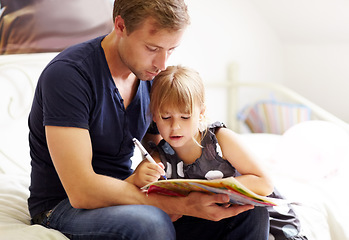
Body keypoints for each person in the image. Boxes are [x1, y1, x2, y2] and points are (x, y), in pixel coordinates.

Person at [28, 1, 258, 239]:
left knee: (245, 210)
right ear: (120, 26)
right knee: (151, 222)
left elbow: (160, 149)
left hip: (131, 192)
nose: (162, 64)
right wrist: (175, 205)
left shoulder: (149, 76)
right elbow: (81, 191)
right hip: (65, 206)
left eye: (171, 50)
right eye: (152, 48)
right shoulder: (69, 75)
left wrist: (204, 189)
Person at [136, 65, 307, 240]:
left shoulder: (219, 139)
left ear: (201, 113)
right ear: (154, 117)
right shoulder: (160, 156)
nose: (175, 126)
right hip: (209, 219)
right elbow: (138, 191)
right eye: (166, 117)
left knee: (254, 212)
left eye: (185, 117)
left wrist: (214, 189)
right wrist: (141, 176)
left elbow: (264, 183)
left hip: (256, 218)